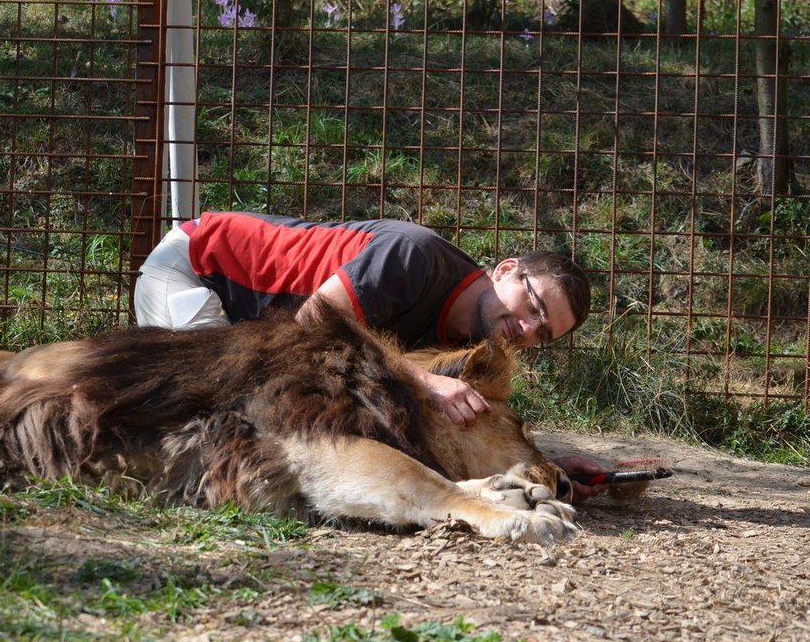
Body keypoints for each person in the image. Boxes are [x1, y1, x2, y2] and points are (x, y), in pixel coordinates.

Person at [134, 210, 607, 501]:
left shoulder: (459, 339)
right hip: (197, 267)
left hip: (256, 339)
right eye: (533, 307)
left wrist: (548, 467)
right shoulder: (415, 255)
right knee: (213, 411)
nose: (526, 330)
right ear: (506, 270)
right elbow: (312, 326)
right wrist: (427, 381)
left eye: (542, 334)